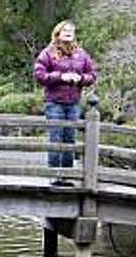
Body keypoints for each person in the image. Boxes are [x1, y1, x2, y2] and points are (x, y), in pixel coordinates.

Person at [34, 21, 97, 169]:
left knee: (70, 139)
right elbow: (39, 74)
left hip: (74, 103)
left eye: (71, 30)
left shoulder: (81, 54)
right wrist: (60, 77)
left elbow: (92, 75)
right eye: (65, 30)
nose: (69, 32)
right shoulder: (48, 52)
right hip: (54, 102)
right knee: (56, 138)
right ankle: (55, 175)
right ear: (58, 33)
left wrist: (80, 79)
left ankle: (68, 174)